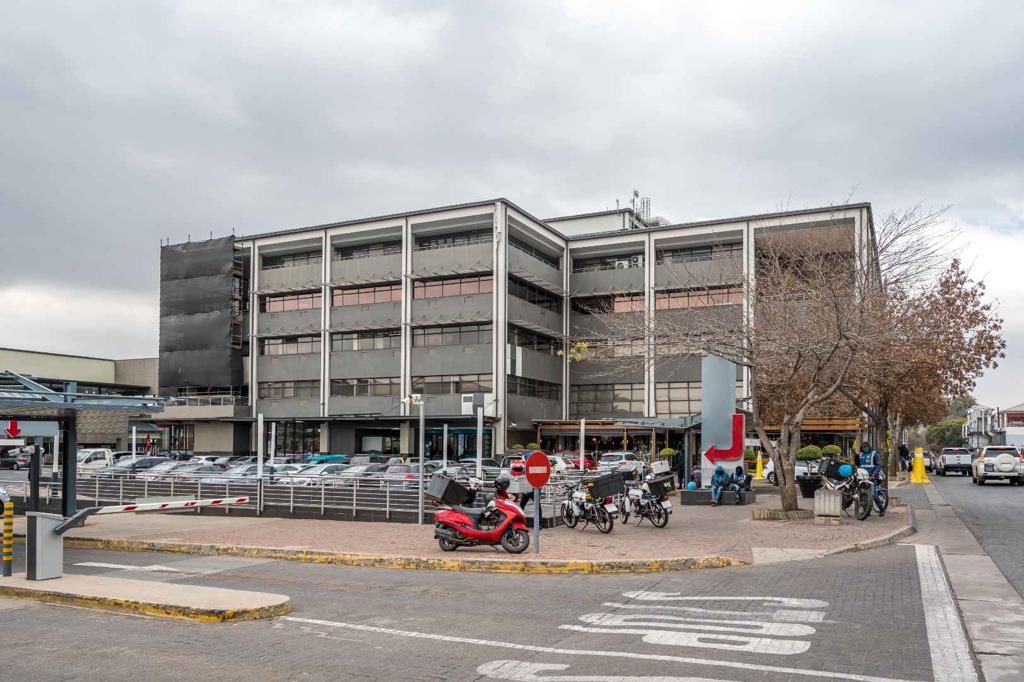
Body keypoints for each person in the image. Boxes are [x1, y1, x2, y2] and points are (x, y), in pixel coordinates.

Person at [857, 442, 885, 516]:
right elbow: (858, 465)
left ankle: (882, 509)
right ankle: (866, 511)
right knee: (862, 493)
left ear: (869, 447)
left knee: (873, 494)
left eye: (866, 448)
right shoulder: (860, 455)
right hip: (862, 477)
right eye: (863, 448)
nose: (865, 449)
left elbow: (879, 465)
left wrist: (874, 474)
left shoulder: (874, 454)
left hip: (872, 477)